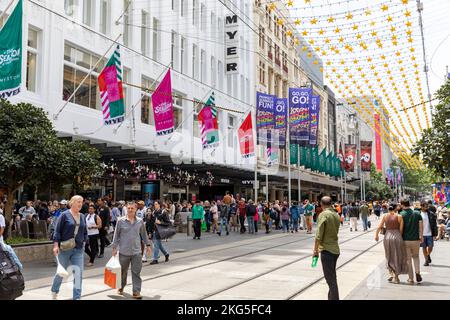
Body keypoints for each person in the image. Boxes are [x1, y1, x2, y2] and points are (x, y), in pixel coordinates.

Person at [51, 195, 88, 300]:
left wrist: (84, 241)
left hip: (78, 249)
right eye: (78, 201)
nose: (80, 204)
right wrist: (55, 245)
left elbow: (85, 231)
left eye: (81, 202)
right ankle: (54, 290)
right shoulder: (64, 215)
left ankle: (77, 297)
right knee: (61, 273)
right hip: (65, 248)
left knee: (78, 274)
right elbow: (57, 231)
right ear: (72, 203)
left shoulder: (82, 216)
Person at [112, 202, 151, 299]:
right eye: (128, 208)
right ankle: (121, 287)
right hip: (124, 252)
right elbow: (116, 235)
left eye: (132, 208)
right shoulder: (120, 221)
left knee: (136, 272)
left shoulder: (140, 221)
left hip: (136, 252)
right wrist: (114, 248)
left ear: (135, 209)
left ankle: (136, 291)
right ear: (126, 209)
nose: (130, 210)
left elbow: (144, 234)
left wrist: (148, 245)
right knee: (122, 272)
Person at [313, 196, 341, 300]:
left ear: (321, 204)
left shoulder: (323, 214)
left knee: (330, 280)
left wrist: (315, 251)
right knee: (332, 278)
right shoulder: (336, 214)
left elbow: (318, 235)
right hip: (335, 249)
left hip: (327, 250)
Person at [375, 203, 408, 284]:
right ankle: (396, 277)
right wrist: (398, 236)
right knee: (397, 256)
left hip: (387, 236)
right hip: (397, 236)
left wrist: (376, 235)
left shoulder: (385, 216)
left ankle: (391, 273)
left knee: (389, 255)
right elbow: (401, 229)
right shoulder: (399, 216)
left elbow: (379, 227)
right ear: (395, 209)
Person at [399, 198, 423, 284]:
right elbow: (421, 226)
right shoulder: (417, 213)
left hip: (405, 240)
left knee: (408, 260)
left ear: (402, 204)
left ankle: (411, 278)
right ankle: (418, 272)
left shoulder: (401, 214)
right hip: (416, 239)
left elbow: (400, 228)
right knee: (416, 256)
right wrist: (421, 236)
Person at [419, 201, 437, 266]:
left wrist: (435, 234)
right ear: (421, 207)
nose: (427, 207)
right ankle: (426, 260)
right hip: (422, 234)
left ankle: (428, 255)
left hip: (429, 233)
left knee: (430, 247)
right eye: (425, 206)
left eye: (427, 206)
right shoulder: (418, 214)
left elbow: (434, 225)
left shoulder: (431, 214)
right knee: (424, 247)